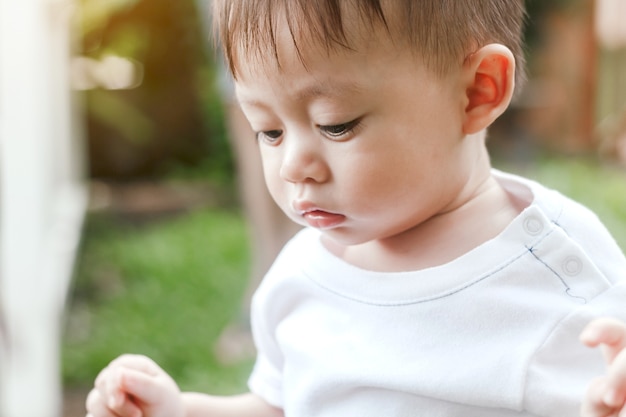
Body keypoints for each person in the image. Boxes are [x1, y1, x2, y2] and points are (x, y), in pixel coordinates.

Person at [85, 1, 626, 416]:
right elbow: (282, 405)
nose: (295, 165)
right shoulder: (302, 274)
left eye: (335, 124)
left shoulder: (556, 267)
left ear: (477, 92)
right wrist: (180, 409)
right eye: (268, 131)